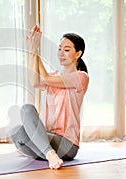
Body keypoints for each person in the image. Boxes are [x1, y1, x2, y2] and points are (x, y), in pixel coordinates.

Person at [10, 25, 89, 169]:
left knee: (25, 137)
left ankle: (48, 153)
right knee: (18, 130)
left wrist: (35, 51)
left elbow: (44, 78)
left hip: (67, 144)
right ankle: (49, 153)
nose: (61, 53)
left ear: (78, 54)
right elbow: (34, 81)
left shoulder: (80, 77)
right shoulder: (54, 75)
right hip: (47, 137)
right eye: (59, 49)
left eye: (66, 50)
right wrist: (31, 51)